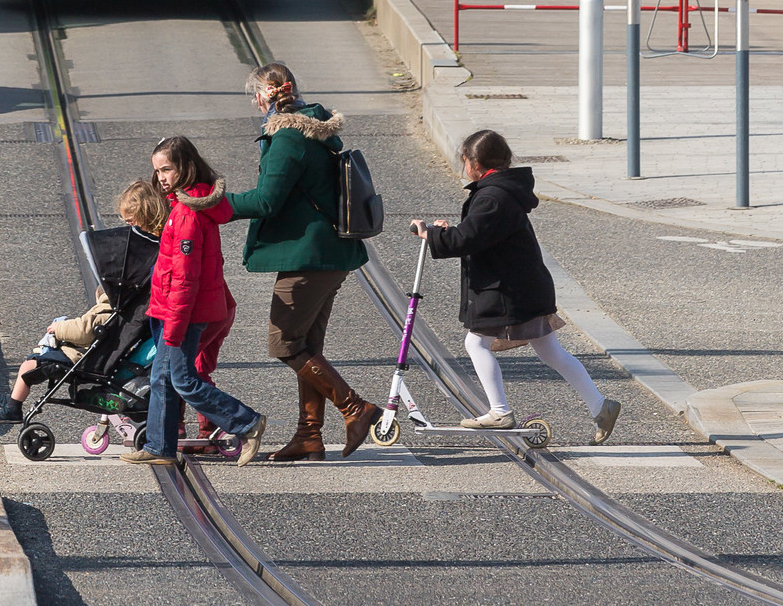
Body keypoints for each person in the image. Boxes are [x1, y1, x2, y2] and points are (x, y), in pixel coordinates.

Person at [412, 128, 620, 443]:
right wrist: (446, 232)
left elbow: (470, 237)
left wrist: (433, 235)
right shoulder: (501, 191)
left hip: (508, 291)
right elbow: (479, 233)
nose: (464, 165)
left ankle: (499, 411)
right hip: (525, 286)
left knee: (476, 343)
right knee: (551, 351)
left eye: (465, 159)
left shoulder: (492, 196)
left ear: (474, 163)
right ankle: (601, 406)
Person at [222, 62, 379, 461]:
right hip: (331, 253)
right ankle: (309, 436)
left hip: (310, 256)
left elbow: (265, 200)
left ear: (262, 98)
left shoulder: (288, 136)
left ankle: (355, 408)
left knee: (284, 343)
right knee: (308, 346)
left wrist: (212, 203)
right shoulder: (313, 127)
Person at [122, 136, 266, 469]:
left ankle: (246, 423)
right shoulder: (186, 205)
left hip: (182, 314)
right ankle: (159, 446)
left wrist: (173, 326)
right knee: (161, 379)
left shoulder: (187, 213)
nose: (161, 177)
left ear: (185, 167)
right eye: (158, 170)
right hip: (168, 309)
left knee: (183, 379)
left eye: (167, 169)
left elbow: (185, 279)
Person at [0, 181, 165, 425]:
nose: (128, 225)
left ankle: (14, 408)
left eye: (130, 220)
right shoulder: (125, 299)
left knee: (29, 365)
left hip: (80, 355)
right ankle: (11, 400)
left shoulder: (114, 306)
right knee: (34, 357)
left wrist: (58, 328)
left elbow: (87, 329)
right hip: (82, 349)